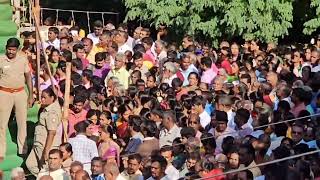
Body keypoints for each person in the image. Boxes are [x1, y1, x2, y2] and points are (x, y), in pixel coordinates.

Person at [0, 38, 33, 162]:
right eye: (9, 49)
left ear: (17, 50)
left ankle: (22, 150)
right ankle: (1, 151)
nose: (11, 52)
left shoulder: (23, 59)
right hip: (4, 92)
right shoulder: (1, 60)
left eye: (13, 50)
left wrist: (30, 95)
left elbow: (28, 77)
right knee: (2, 124)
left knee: (22, 122)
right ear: (6, 48)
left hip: (20, 92)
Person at [26, 87, 61, 175]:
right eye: (41, 97)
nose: (42, 99)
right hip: (38, 143)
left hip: (45, 144)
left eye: (44, 97)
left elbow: (51, 132)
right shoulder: (46, 109)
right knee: (30, 164)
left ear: (52, 98)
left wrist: (46, 150)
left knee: (45, 167)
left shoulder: (51, 112)